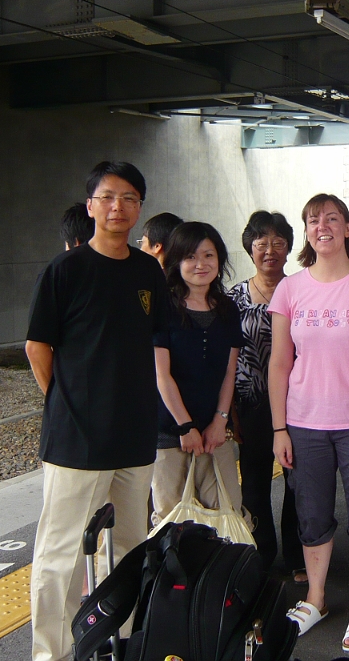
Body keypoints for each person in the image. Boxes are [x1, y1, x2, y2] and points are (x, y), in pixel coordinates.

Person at [25, 161, 169, 661]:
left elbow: (154, 339)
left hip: (134, 436)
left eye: (129, 197)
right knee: (59, 554)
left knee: (128, 547)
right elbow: (37, 347)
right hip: (76, 438)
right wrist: (62, 400)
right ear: (90, 207)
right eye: (107, 197)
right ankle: (53, 652)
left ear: (138, 208)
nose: (117, 206)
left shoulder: (147, 270)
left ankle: (121, 639)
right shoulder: (64, 271)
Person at [268, 193, 349, 652]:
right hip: (303, 422)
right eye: (312, 220)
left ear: (348, 228)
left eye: (331, 218)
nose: (321, 226)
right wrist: (278, 427)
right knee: (312, 513)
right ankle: (317, 597)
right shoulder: (290, 289)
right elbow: (280, 364)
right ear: (306, 231)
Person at [151, 221, 247, 528]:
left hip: (214, 433)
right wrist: (185, 426)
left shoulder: (228, 309)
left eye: (208, 255)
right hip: (169, 432)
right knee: (171, 517)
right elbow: (162, 375)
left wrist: (220, 421)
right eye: (190, 257)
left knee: (227, 509)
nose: (200, 264)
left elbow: (229, 371)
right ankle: (177, 578)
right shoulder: (162, 307)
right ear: (176, 261)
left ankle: (219, 577)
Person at [227, 211, 305, 578]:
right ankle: (260, 553)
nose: (270, 249)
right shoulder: (233, 298)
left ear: (289, 247)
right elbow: (226, 363)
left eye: (278, 241)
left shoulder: (303, 290)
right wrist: (229, 412)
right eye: (262, 242)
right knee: (254, 483)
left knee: (298, 483)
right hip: (251, 404)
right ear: (250, 248)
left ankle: (296, 556)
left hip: (299, 403)